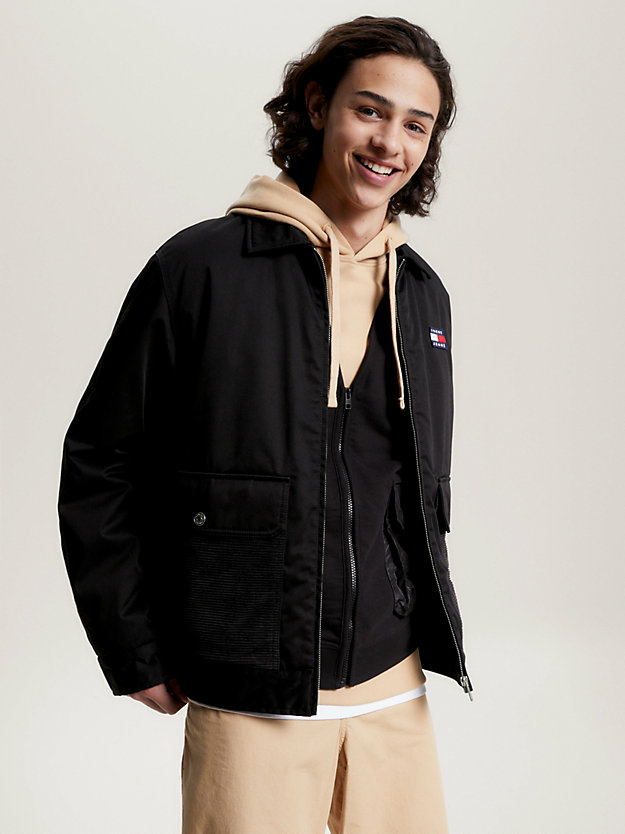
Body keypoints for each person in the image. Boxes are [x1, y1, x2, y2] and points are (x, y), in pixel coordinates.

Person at [58, 15, 471, 833]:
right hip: (252, 690)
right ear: (317, 107)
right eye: (369, 110)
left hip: (396, 687)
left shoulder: (421, 294)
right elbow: (103, 460)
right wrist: (132, 648)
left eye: (414, 125)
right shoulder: (201, 268)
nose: (388, 142)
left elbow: (407, 484)